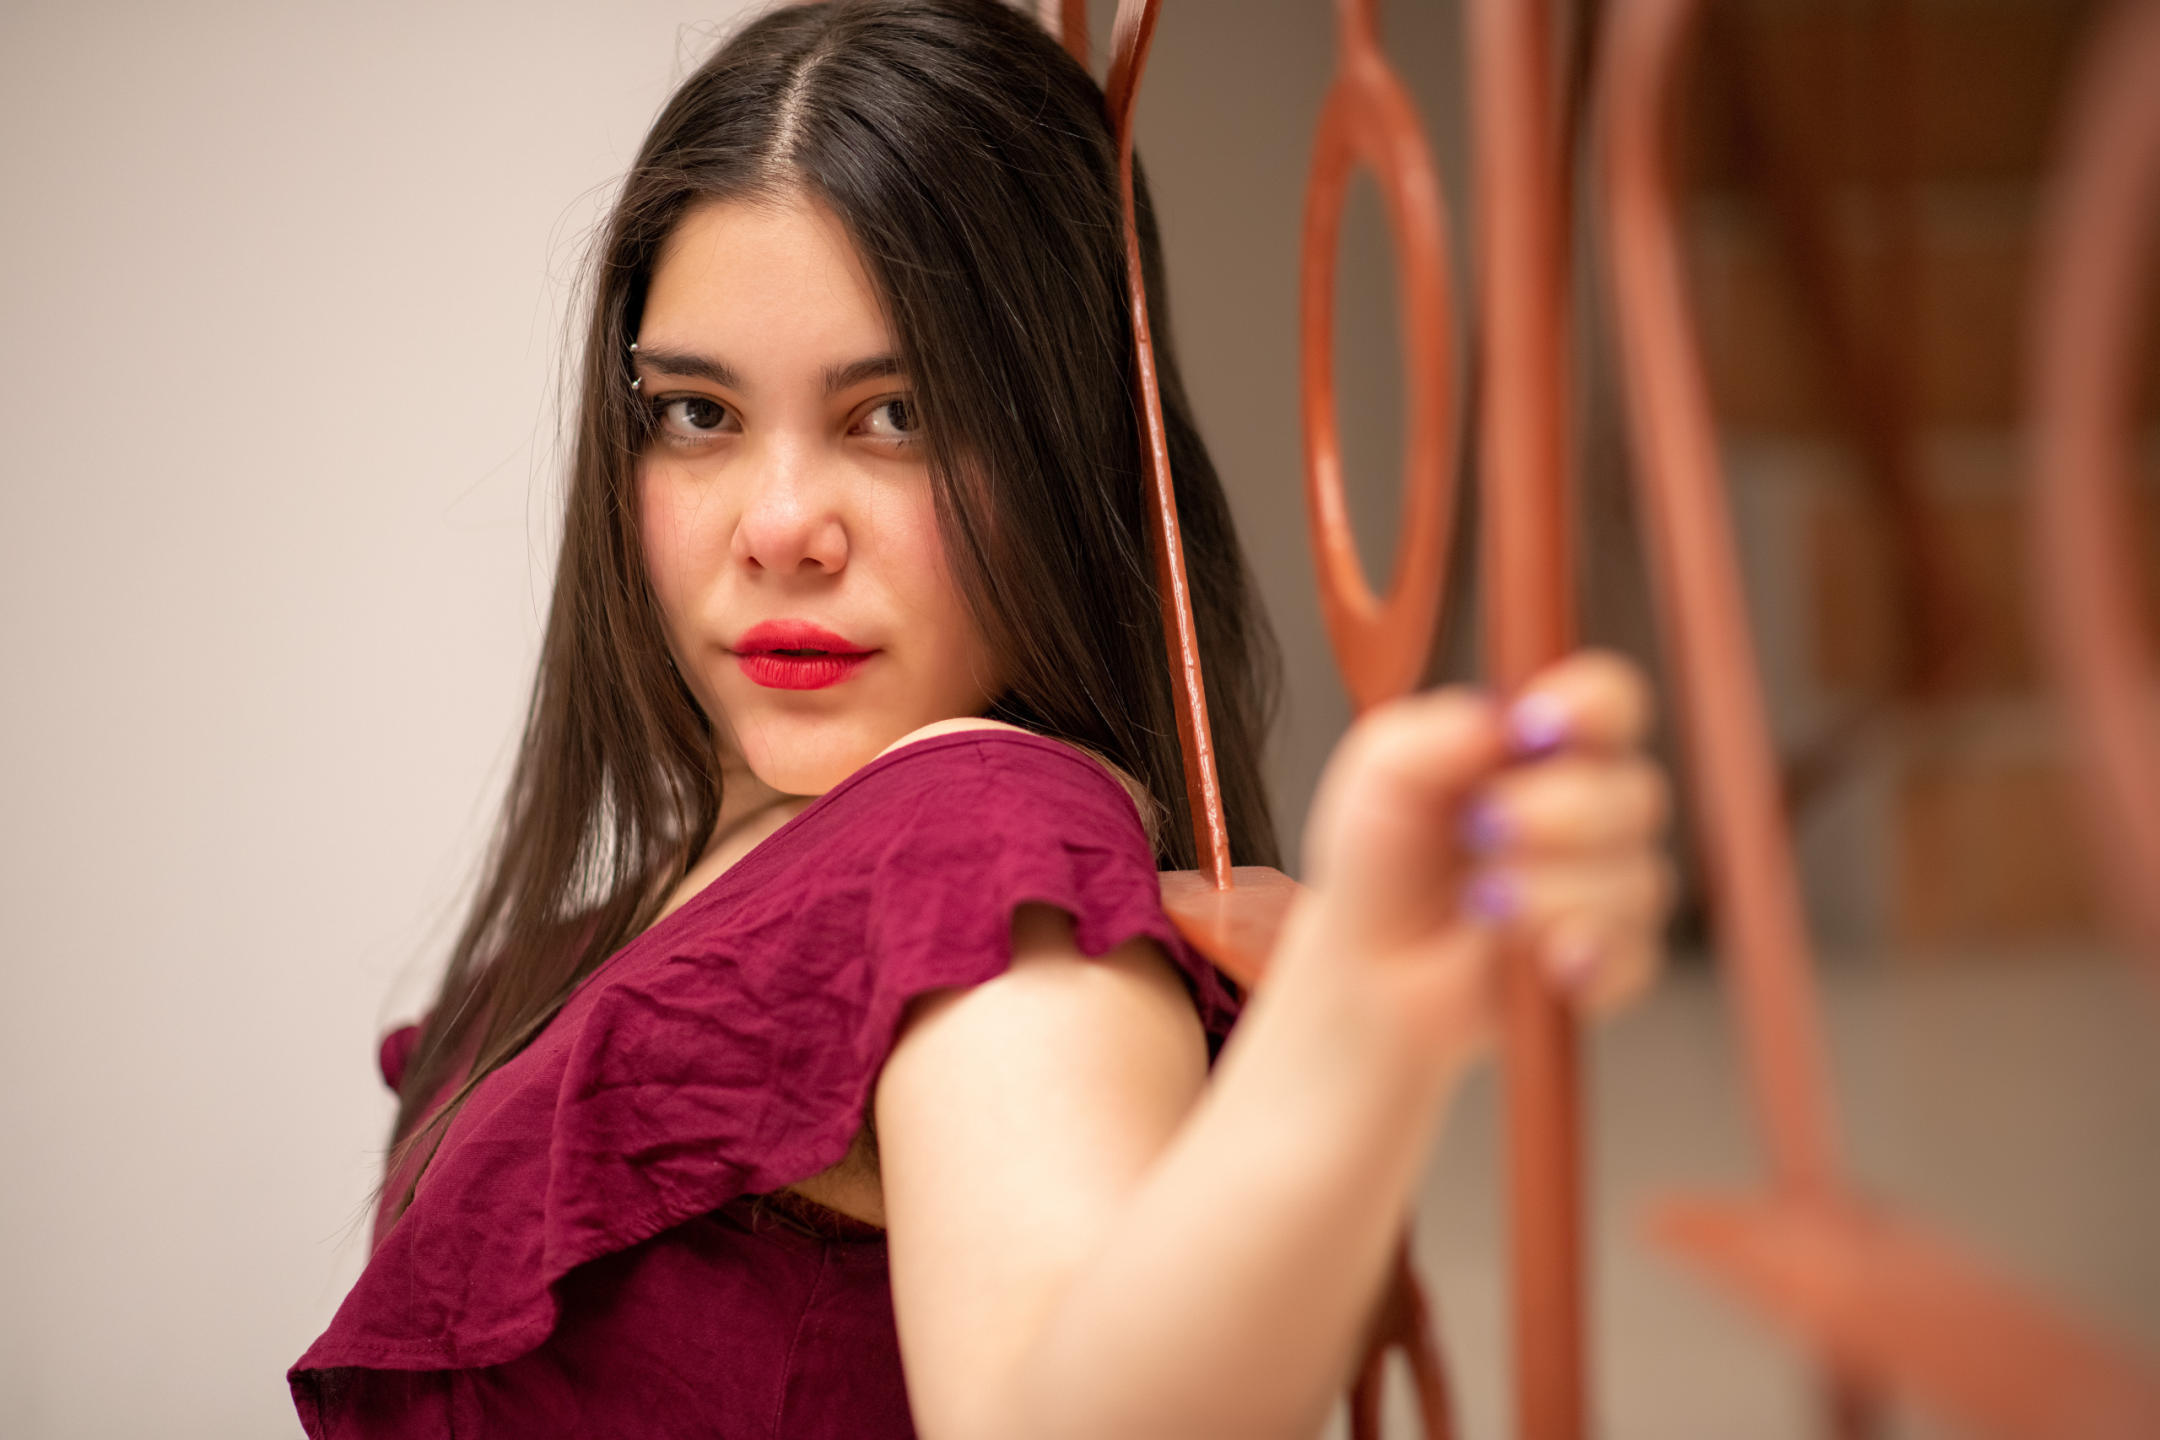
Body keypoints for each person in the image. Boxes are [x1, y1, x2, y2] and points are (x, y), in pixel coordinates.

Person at [289, 1, 1671, 1436]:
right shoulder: (746, 829)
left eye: (895, 415)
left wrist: (1362, 1017)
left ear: (1067, 446)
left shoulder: (979, 841)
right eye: (698, 413)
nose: (779, 525)